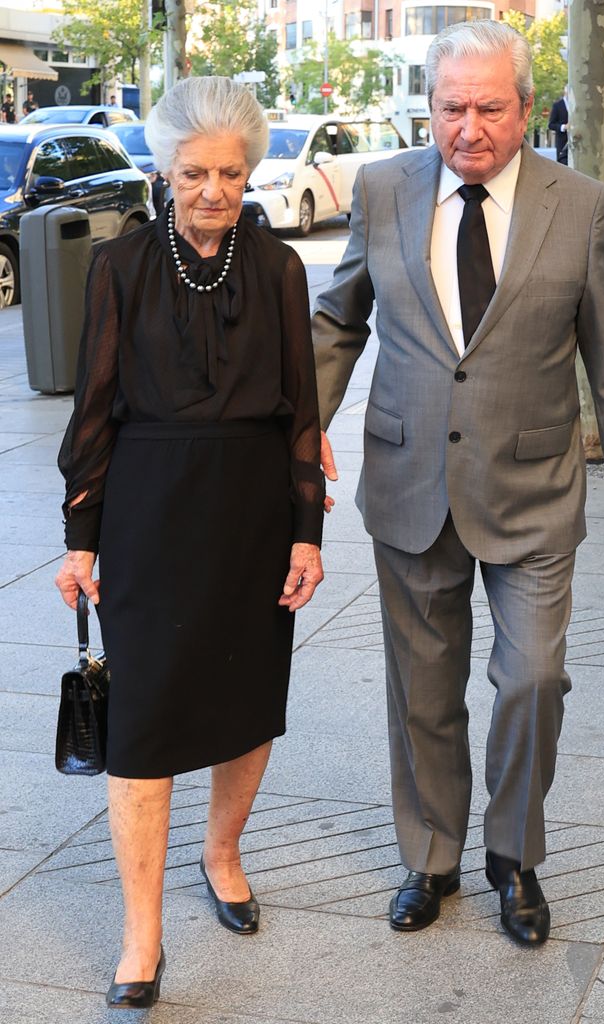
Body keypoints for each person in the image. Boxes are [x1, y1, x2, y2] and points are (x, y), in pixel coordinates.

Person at [313, 21, 604, 948]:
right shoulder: (383, 189)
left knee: (533, 678)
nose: (468, 127)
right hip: (408, 479)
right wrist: (298, 422)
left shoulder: (581, 204)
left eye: (489, 108)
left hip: (535, 492)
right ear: (431, 106)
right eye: (451, 107)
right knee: (423, 689)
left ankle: (514, 856)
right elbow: (338, 317)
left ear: (523, 108)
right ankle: (431, 857)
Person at [55, 75, 325, 1008]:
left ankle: (221, 854)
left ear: (250, 172)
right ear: (165, 171)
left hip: (253, 516)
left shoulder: (281, 269)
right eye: (195, 172)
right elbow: (94, 411)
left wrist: (307, 532)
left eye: (231, 173)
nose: (214, 191)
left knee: (249, 698)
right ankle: (141, 937)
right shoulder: (121, 265)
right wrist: (79, 541)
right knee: (145, 718)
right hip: (148, 514)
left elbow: (302, 408)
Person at [548, 86, 568, 162]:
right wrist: (563, 127)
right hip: (562, 143)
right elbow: (551, 125)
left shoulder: (577, 105)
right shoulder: (557, 105)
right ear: (566, 92)